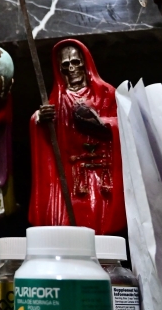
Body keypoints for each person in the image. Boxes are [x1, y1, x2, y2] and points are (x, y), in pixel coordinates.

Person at [29, 39, 125, 234]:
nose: (71, 68)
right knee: (74, 226)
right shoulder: (58, 99)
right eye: (65, 65)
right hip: (74, 177)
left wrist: (102, 124)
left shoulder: (106, 94)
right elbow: (41, 125)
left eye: (75, 62)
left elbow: (124, 125)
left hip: (102, 176)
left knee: (103, 225)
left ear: (85, 63)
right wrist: (40, 118)